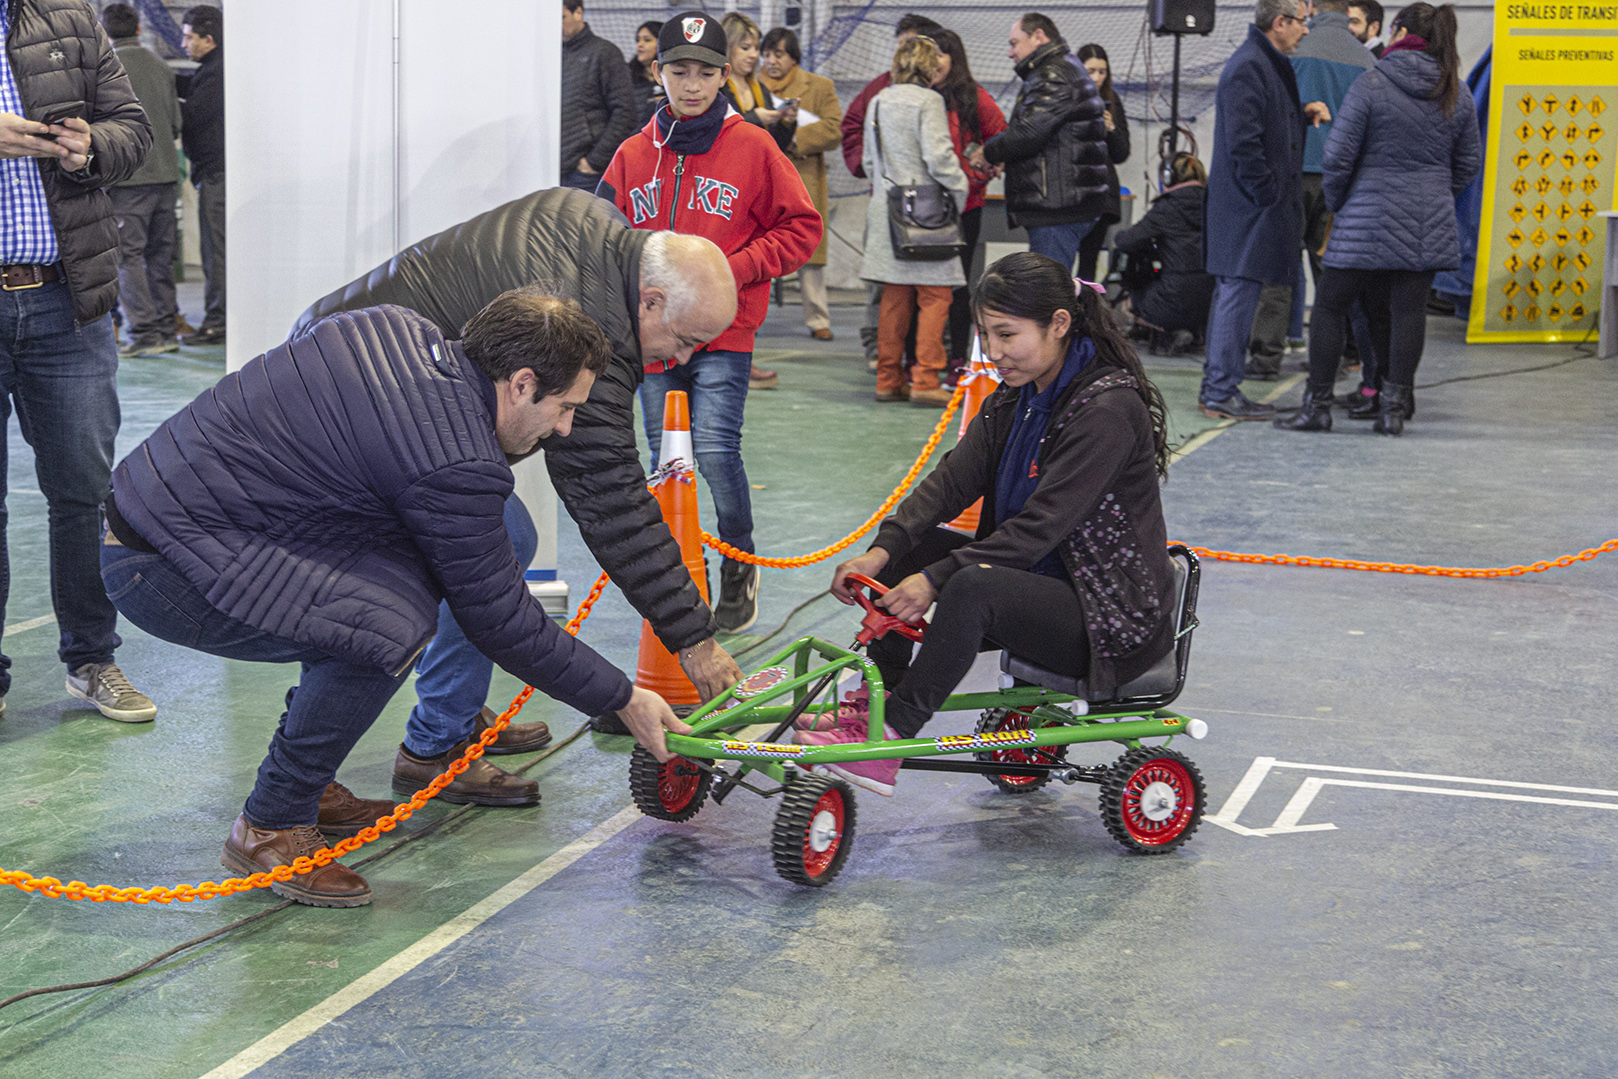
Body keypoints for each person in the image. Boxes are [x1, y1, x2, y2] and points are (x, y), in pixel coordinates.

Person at [105, 291, 692, 907]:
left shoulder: (403, 330)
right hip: (162, 568)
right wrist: (621, 696)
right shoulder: (453, 457)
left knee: (506, 530)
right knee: (380, 630)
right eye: (565, 406)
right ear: (521, 384)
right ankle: (270, 824)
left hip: (183, 508)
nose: (567, 427)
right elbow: (503, 622)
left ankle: (354, 765)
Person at [297, 189, 746, 762]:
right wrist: (694, 640)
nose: (680, 361)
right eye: (684, 341)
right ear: (651, 300)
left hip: (342, 360)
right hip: (349, 402)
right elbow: (611, 498)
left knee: (509, 538)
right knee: (499, 543)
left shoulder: (598, 226)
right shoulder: (584, 327)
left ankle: (454, 702)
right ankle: (438, 746)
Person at [809, 253, 1177, 796]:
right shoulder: (1017, 396)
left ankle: (892, 735)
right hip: (1042, 586)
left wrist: (936, 580)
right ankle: (876, 699)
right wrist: (882, 553)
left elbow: (1040, 528)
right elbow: (949, 485)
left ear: (1059, 324)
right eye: (986, 334)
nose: (995, 352)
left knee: (971, 583)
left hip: (1106, 620)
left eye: (1007, 334)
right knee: (912, 554)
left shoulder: (1107, 410)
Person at [598, 12, 821, 634]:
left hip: (725, 333)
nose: (691, 84)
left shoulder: (753, 145)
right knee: (665, 458)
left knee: (718, 451)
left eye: (704, 72)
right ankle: (678, 573)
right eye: (678, 71)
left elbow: (801, 226)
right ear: (657, 72)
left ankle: (737, 561)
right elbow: (603, 235)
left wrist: (732, 269)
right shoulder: (633, 153)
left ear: (724, 76)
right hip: (650, 341)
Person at [0, 0, 154, 724]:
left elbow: (135, 130)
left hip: (68, 300)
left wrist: (91, 143)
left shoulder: (70, 18)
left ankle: (93, 658)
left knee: (84, 492)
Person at [1275, 2, 1478, 436]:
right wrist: (1437, 193)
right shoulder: (1457, 93)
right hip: (1428, 222)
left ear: (1399, 30)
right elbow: (1468, 166)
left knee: (1329, 307)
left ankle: (1318, 407)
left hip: (1364, 218)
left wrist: (1341, 201)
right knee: (1408, 314)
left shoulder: (1372, 85)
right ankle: (1392, 410)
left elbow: (1338, 155)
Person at [1200, 0, 1331, 420]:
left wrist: (1300, 113)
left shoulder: (1264, 63)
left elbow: (1263, 123)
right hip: (1248, 209)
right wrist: (1268, 194)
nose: (1306, 32)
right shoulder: (1250, 67)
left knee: (1238, 297)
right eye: (1301, 24)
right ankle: (1220, 392)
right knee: (1237, 299)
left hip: (1251, 207)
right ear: (1280, 23)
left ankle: (1221, 388)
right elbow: (1244, 144)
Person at [860, 35, 968, 408]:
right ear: (927, 65)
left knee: (894, 296)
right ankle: (925, 378)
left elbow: (870, 162)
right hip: (925, 212)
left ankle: (888, 379)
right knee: (936, 296)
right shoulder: (929, 101)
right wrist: (960, 190)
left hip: (887, 208)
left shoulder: (877, 101)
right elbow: (938, 158)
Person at [841, 13, 942, 373]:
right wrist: (869, 171)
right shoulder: (880, 92)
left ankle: (901, 367)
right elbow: (853, 130)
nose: (907, 53)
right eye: (903, 45)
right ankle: (888, 358)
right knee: (889, 287)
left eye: (913, 46)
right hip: (900, 204)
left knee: (912, 290)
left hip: (911, 205)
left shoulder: (939, 94)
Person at [982, 13, 1109, 276]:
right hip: (1066, 206)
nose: (1010, 52)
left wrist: (987, 152)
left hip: (1058, 211)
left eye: (1014, 43)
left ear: (1038, 36)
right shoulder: (1060, 68)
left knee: (1048, 296)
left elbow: (1028, 132)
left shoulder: (1053, 73)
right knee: (1053, 290)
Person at [103, 3, 183, 359]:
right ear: (138, 28)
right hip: (166, 177)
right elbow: (176, 124)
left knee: (127, 258)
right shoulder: (161, 66)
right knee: (161, 256)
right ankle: (167, 329)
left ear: (105, 33)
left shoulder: (104, 69)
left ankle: (145, 332)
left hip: (128, 181)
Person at [931, 28, 1006, 380]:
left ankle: (957, 359)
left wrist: (982, 166)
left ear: (954, 58)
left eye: (940, 55)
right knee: (924, 288)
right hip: (924, 210)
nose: (933, 63)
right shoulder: (916, 95)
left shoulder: (974, 98)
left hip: (965, 209)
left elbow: (1002, 137)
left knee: (959, 285)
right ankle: (921, 361)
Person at [759, 27, 843, 343]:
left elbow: (834, 129)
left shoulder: (820, 87)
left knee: (811, 252)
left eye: (777, 54)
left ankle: (818, 318)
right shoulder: (752, 86)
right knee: (760, 247)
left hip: (804, 176)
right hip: (763, 177)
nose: (770, 61)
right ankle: (750, 317)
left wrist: (793, 137)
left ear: (793, 56)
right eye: (766, 54)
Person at [720, 11, 785, 390]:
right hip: (730, 187)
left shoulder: (756, 86)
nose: (754, 55)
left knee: (752, 281)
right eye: (745, 47)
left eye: (755, 48)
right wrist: (756, 118)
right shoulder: (728, 90)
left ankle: (744, 353)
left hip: (756, 188)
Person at [1113, 152, 1215, 344]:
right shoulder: (1216, 203)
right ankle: (1190, 332)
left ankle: (1167, 330)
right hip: (1213, 302)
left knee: (1130, 298)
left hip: (1172, 301)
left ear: (1167, 178)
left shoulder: (1167, 207)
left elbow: (1126, 241)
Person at [179, 5, 224, 346]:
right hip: (213, 171)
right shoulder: (211, 70)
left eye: (188, 37)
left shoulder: (217, 72)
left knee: (216, 250)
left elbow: (193, 113)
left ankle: (217, 323)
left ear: (208, 40)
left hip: (216, 173)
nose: (183, 45)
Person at [559, 0, 635, 193]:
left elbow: (626, 111)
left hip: (585, 174)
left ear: (578, 13)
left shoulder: (605, 53)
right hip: (553, 169)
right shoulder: (550, 54)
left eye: (562, 17)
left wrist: (594, 162)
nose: (558, 25)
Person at [1074, 43, 1131, 285]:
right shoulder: (1067, 98)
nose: (1097, 77)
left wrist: (1111, 129)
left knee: (1088, 263)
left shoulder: (1111, 99)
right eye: (1091, 71)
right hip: (1072, 189)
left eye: (1102, 71)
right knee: (1060, 260)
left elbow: (1121, 154)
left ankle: (1084, 317)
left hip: (1101, 194)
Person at [627, 20, 665, 129]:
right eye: (638, 40)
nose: (640, 45)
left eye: (647, 40)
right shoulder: (627, 76)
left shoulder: (674, 79)